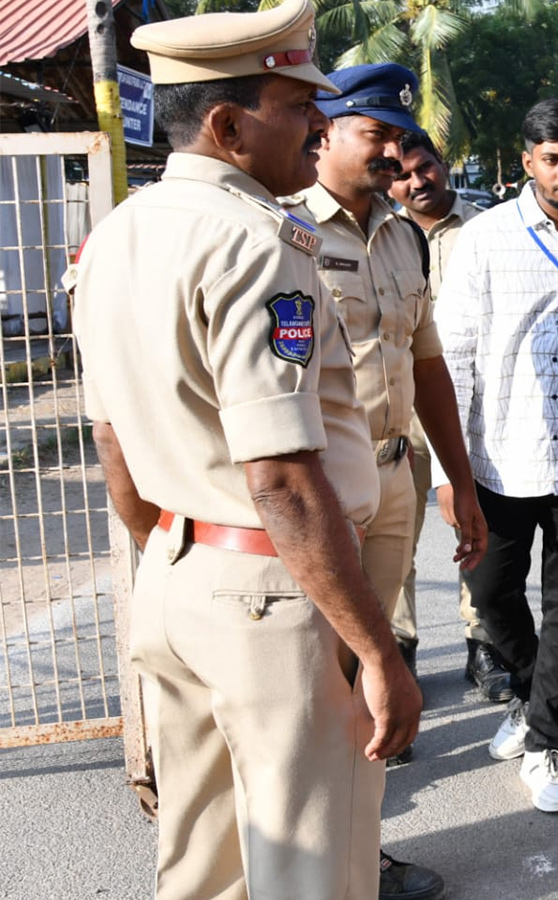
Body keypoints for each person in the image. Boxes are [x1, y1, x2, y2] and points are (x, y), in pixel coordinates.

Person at [70, 2, 420, 898]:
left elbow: (113, 440)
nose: (315, 122)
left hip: (178, 575)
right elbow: (282, 478)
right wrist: (379, 652)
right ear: (227, 126)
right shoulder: (257, 241)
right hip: (272, 591)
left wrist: (177, 553)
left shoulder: (115, 237)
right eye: (294, 103)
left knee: (205, 861)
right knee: (312, 867)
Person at [280, 62, 488, 900]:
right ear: (324, 132)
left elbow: (426, 364)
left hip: (397, 479)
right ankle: (305, 858)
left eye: (402, 139)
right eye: (378, 137)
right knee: (313, 680)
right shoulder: (283, 230)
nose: (398, 157)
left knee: (373, 683)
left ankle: (361, 850)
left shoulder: (403, 235)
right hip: (318, 494)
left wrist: (460, 484)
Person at [432, 97, 558, 813]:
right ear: (526, 162)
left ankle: (546, 744)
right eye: (551, 158)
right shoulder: (484, 239)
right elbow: (452, 360)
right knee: (490, 597)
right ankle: (534, 693)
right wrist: (450, 473)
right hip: (499, 456)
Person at [387, 130, 512, 703]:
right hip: (393, 416)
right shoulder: (380, 235)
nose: (417, 182)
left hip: (469, 412)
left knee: (473, 530)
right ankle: (397, 651)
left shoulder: (488, 230)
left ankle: (483, 643)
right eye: (403, 174)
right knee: (392, 539)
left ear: (443, 165)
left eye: (425, 168)